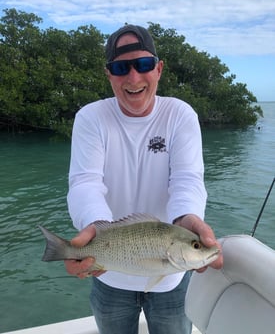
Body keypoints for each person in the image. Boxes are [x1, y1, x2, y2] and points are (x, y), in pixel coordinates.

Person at [65, 24, 223, 334]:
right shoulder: (90, 117)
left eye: (144, 65)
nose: (134, 77)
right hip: (108, 274)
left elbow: (187, 179)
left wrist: (188, 217)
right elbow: (85, 182)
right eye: (121, 68)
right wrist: (95, 229)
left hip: (172, 280)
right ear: (109, 73)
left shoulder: (180, 114)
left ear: (159, 68)